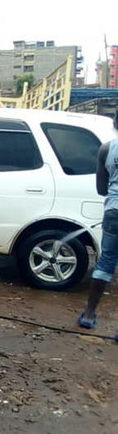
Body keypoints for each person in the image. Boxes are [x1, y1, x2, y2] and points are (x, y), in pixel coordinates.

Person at [79, 111, 118, 334]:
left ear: (115, 122)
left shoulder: (107, 149)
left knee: (105, 263)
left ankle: (89, 314)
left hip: (114, 209)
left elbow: (101, 189)